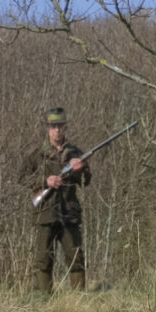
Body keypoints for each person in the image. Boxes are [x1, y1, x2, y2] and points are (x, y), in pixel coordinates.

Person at [23, 107, 91, 291]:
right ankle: (45, 301)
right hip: (45, 213)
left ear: (65, 127)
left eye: (60, 126)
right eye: (53, 126)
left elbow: (86, 181)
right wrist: (45, 181)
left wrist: (79, 169)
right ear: (48, 128)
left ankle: (79, 301)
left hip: (69, 213)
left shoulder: (76, 153)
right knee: (43, 260)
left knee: (76, 259)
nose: (57, 130)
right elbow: (23, 178)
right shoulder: (36, 153)